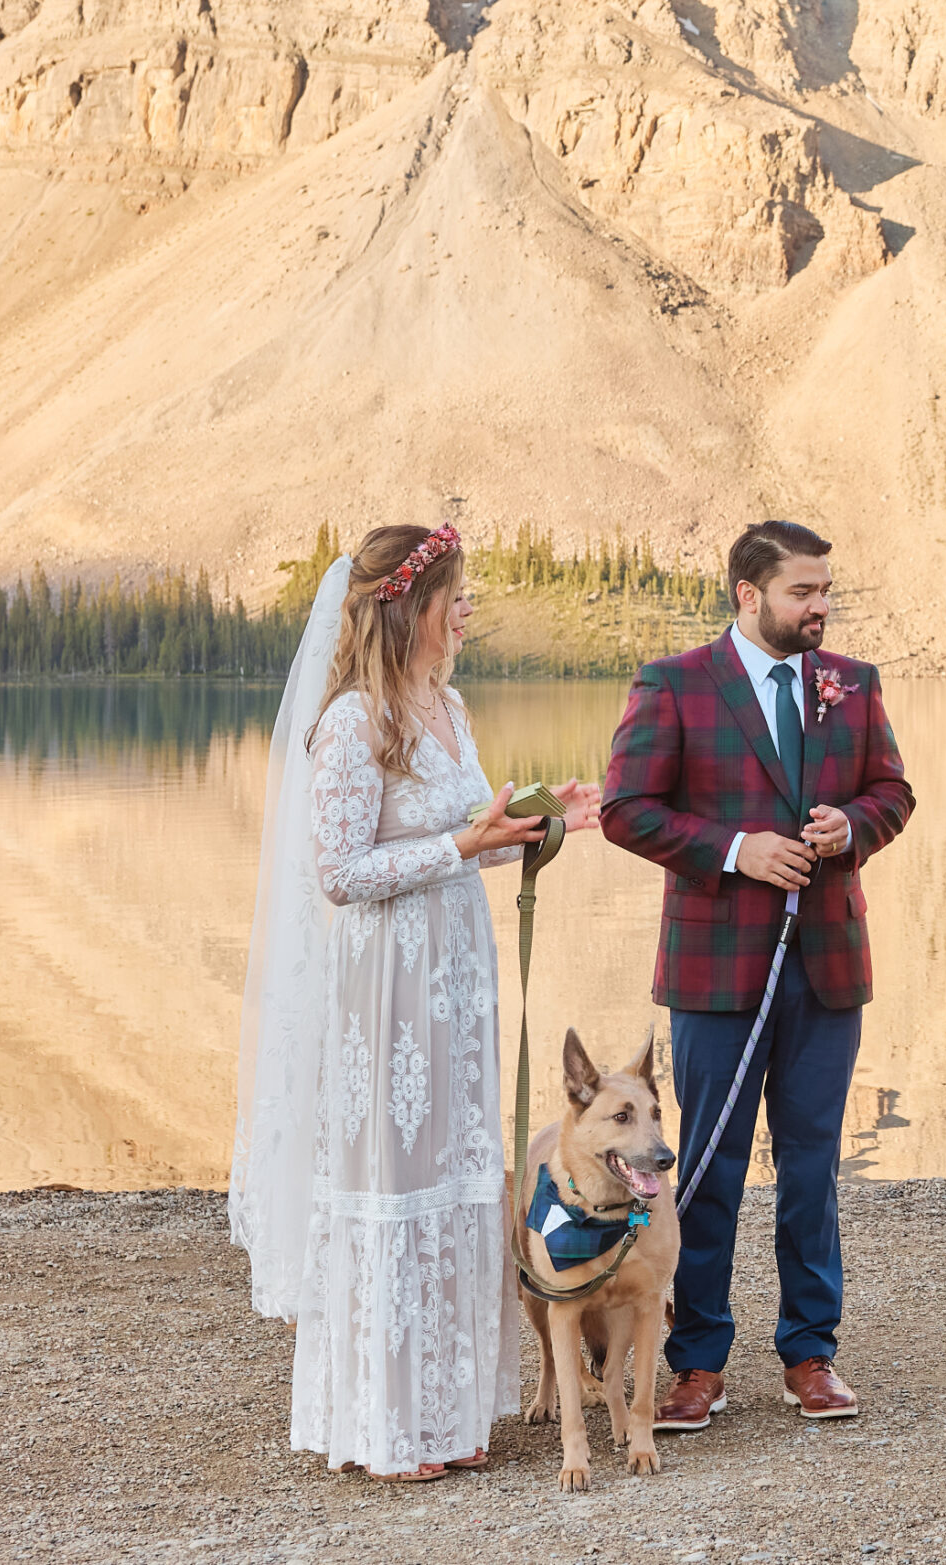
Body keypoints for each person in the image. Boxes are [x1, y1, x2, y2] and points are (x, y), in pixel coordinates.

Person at [228, 522, 601, 1480]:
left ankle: (451, 1413)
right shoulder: (354, 721)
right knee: (397, 1177)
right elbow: (342, 872)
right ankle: (386, 1425)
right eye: (458, 596)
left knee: (461, 1176)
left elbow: (471, 830)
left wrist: (544, 820)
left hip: (456, 978)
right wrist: (466, 850)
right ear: (412, 605)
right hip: (386, 985)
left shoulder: (450, 704)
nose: (469, 611)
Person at [602, 520, 915, 1431]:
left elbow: (892, 792)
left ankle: (810, 1354)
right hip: (714, 968)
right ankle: (696, 1361)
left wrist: (849, 826)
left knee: (814, 1168)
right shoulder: (675, 684)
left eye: (826, 591)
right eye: (802, 592)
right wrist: (738, 849)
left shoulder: (852, 683)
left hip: (828, 965)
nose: (821, 607)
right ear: (749, 594)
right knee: (705, 1168)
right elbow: (626, 809)